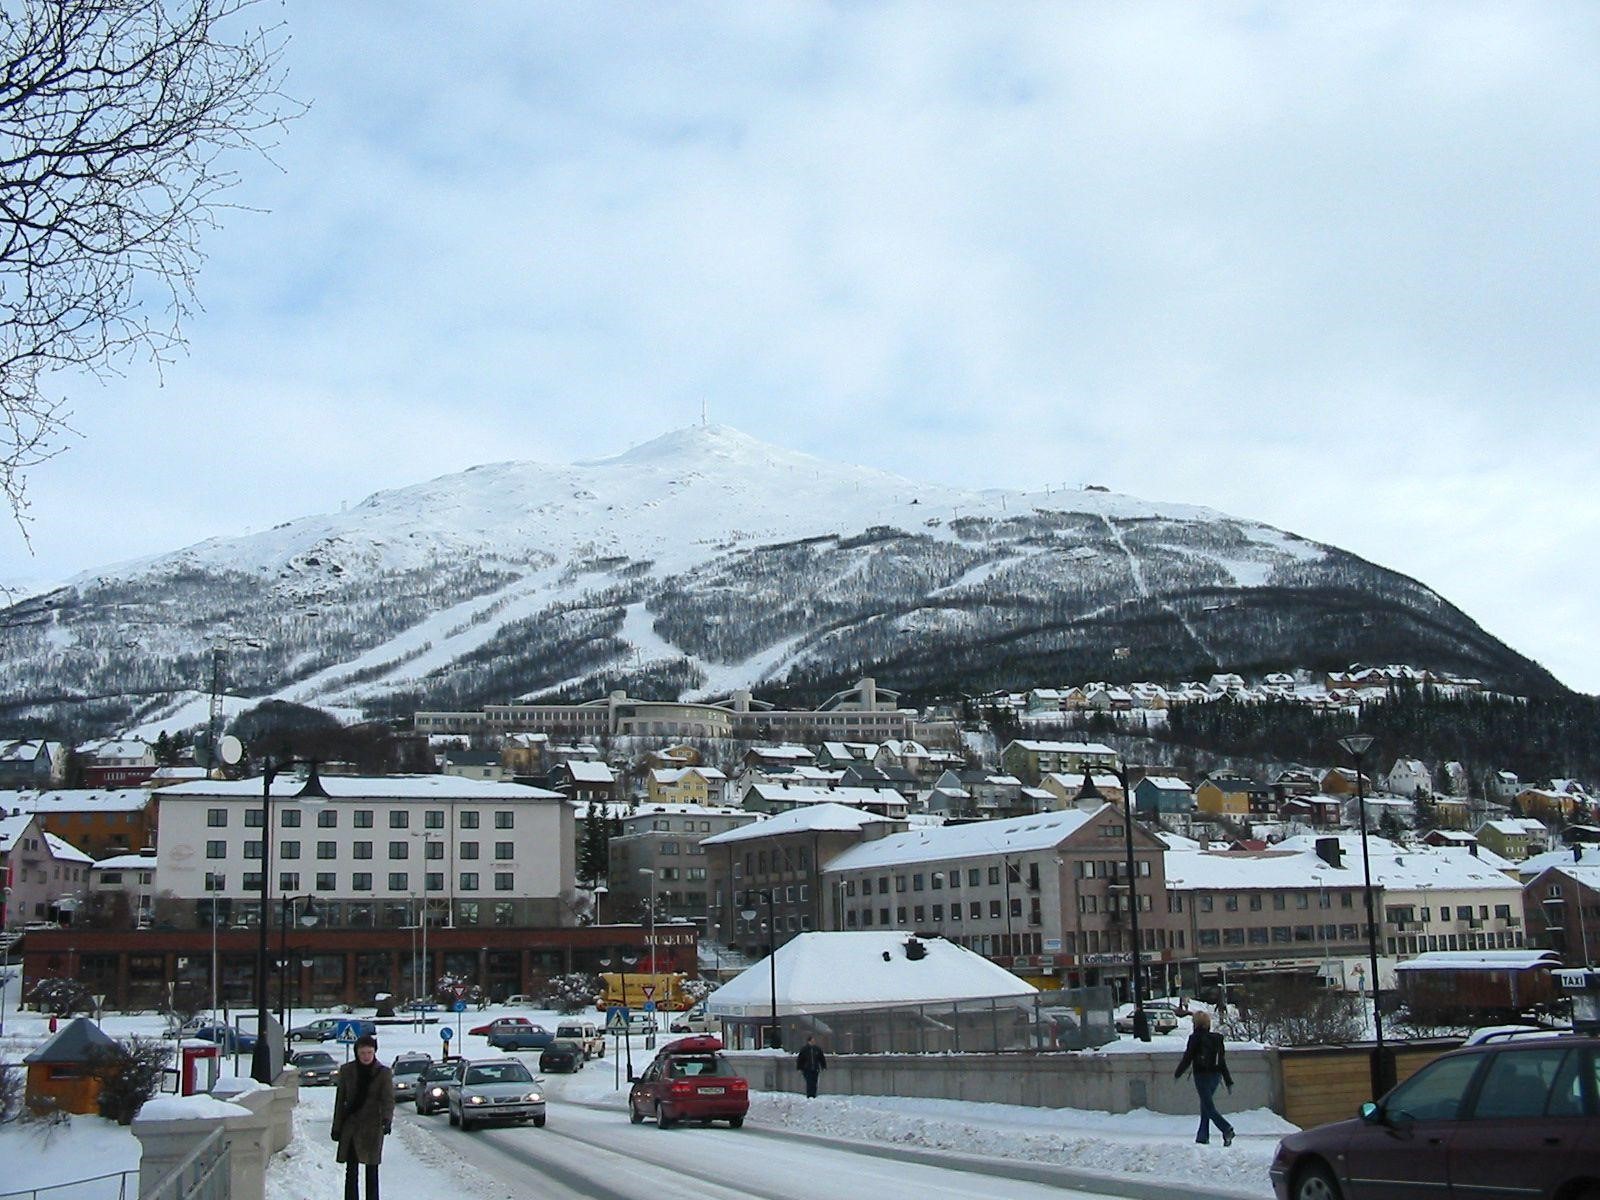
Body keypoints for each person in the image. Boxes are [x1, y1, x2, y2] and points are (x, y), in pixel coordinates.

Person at [332, 1035, 395, 1200]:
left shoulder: (383, 1073)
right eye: (363, 1052)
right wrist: (337, 1127)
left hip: (373, 1127)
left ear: (374, 1052)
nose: (366, 1056)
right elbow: (340, 1101)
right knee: (351, 1170)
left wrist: (387, 1120)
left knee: (371, 1169)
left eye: (369, 1052)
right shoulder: (347, 1071)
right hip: (351, 1126)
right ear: (357, 1053)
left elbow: (388, 1099)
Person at [1173, 1010, 1234, 1146]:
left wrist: (1178, 1073)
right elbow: (1222, 1062)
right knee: (1205, 1105)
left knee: (1208, 1106)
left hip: (1201, 1075)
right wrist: (1228, 1081)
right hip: (1216, 1076)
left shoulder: (1194, 1038)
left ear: (1195, 1023)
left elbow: (1187, 1058)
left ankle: (1226, 1128)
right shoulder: (1217, 1038)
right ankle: (1202, 1136)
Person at [795, 1034, 827, 1099]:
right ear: (808, 1042)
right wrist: (799, 1067)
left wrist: (823, 1066)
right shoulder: (804, 1049)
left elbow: (821, 1058)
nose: (813, 1042)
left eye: (814, 1041)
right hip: (807, 1069)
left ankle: (814, 1094)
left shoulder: (817, 1049)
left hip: (815, 1068)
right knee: (809, 1082)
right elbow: (800, 1059)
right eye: (812, 1041)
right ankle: (810, 1095)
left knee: (815, 1082)